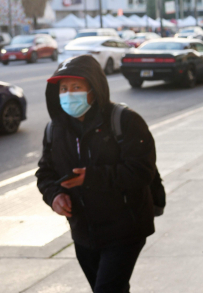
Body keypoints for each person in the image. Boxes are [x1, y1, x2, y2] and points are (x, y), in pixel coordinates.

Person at [36, 55, 157, 293]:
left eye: (76, 87)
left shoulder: (125, 120)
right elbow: (45, 172)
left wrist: (92, 177)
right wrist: (54, 196)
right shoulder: (55, 129)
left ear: (94, 89)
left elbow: (141, 171)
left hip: (125, 229)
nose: (69, 94)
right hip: (83, 230)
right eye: (63, 88)